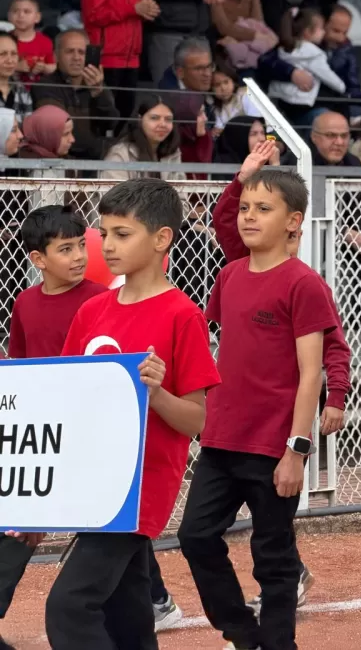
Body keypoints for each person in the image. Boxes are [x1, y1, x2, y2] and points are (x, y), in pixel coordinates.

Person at [22, 179, 220, 649]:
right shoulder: (92, 310)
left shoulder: (181, 315)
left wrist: (155, 393)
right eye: (104, 233)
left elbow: (197, 420)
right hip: (93, 481)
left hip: (139, 487)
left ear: (162, 239)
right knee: (127, 611)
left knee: (70, 606)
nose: (106, 245)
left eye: (122, 234)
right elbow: (66, 397)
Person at [179, 167, 339, 650]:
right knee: (195, 537)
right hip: (221, 439)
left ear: (293, 222)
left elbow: (312, 373)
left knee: (273, 556)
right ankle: (242, 635)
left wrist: (297, 449)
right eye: (246, 207)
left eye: (262, 209)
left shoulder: (303, 283)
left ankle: (277, 644)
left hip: (274, 447)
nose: (249, 216)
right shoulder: (228, 276)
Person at [0, 206, 107, 650]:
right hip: (43, 438)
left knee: (109, 528)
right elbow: (22, 369)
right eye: (65, 249)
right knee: (18, 525)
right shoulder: (24, 303)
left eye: (81, 245)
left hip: (90, 434)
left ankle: (153, 597)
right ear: (37, 259)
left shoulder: (102, 298)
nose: (80, 256)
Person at [33, 30, 121, 162]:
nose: (76, 57)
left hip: (95, 162)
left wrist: (98, 92)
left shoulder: (97, 85)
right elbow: (57, 128)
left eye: (82, 52)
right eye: (69, 51)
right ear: (56, 56)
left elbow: (111, 124)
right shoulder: (45, 85)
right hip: (59, 162)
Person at [269, 8, 345, 131]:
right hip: (302, 103)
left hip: (280, 99)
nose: (323, 32)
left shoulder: (284, 49)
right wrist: (342, 86)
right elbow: (328, 76)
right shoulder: (314, 54)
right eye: (321, 29)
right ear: (308, 32)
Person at [102, 97, 183, 181]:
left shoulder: (173, 152)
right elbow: (117, 193)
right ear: (140, 119)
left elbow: (182, 192)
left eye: (168, 119)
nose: (163, 124)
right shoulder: (120, 154)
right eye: (154, 118)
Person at [322, 5, 361, 119]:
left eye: (345, 33)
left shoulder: (347, 50)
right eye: (336, 31)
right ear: (323, 25)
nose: (341, 38)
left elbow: (353, 84)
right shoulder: (309, 49)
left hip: (342, 103)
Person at [8, 0, 55, 85]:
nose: (21, 15)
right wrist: (15, 67)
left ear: (37, 17)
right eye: (15, 11)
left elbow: (53, 66)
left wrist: (44, 68)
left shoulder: (45, 42)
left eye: (27, 11)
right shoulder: (4, 40)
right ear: (9, 15)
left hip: (39, 91)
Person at [0, 32, 32, 121]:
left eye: (14, 54)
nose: (10, 60)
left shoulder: (21, 90)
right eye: (2, 54)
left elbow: (27, 128)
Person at [213, 62, 252, 134]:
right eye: (217, 85)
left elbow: (255, 123)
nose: (223, 88)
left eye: (226, 82)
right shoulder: (218, 108)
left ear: (233, 81)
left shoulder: (245, 95)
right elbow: (218, 129)